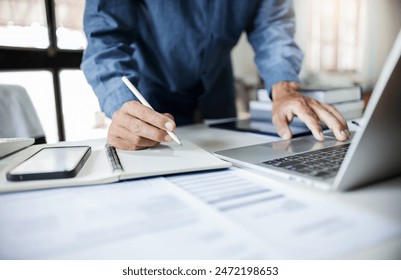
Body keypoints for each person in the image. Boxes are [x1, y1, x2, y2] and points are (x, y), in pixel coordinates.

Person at [82, 0, 350, 150]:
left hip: (217, 93)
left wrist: (284, 89)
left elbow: (272, 26)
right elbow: (105, 40)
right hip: (150, 98)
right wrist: (122, 104)